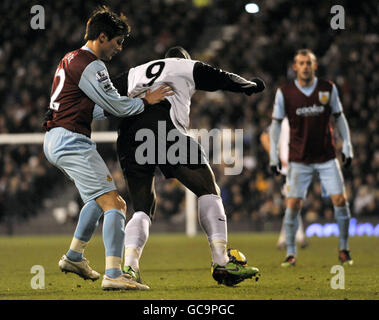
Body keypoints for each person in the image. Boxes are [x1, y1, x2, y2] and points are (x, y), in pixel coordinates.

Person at [110, 46, 265, 288]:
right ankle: (222, 261)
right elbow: (221, 77)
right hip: (164, 129)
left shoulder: (135, 72)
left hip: (129, 136)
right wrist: (250, 85)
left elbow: (104, 94)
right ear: (184, 60)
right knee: (208, 189)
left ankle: (130, 267)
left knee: (142, 207)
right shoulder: (184, 66)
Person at [42, 6, 173, 291]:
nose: (120, 47)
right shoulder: (91, 64)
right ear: (102, 37)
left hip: (58, 138)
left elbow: (92, 109)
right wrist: (145, 101)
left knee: (96, 200)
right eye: (117, 41)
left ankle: (75, 256)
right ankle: (114, 273)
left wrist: (130, 98)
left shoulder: (70, 58)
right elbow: (115, 106)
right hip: (70, 140)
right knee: (116, 204)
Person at [269, 49, 354, 267]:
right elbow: (276, 124)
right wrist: (273, 155)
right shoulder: (285, 93)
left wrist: (348, 146)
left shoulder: (328, 88)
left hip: (326, 156)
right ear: (295, 67)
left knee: (340, 200)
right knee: (293, 204)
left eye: (309, 63)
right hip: (299, 159)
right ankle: (290, 253)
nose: (305, 66)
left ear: (315, 66)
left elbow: (339, 117)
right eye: (301, 63)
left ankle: (344, 249)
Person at [260, 118, 308, 250]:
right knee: (292, 202)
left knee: (294, 202)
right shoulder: (282, 121)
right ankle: (295, 237)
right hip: (287, 170)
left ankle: (291, 237)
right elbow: (264, 137)